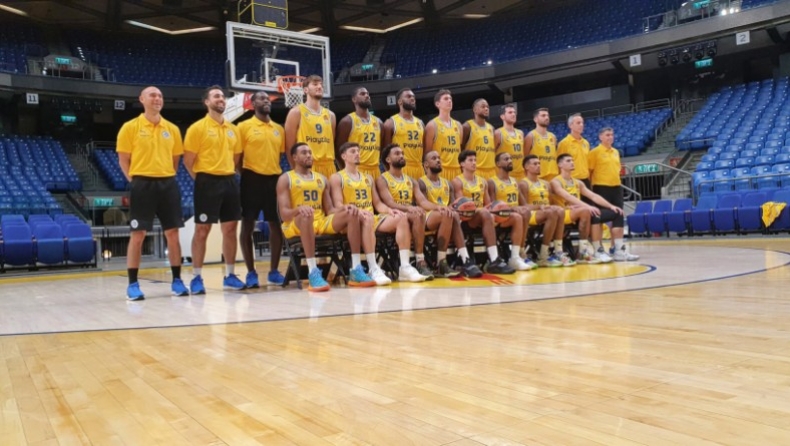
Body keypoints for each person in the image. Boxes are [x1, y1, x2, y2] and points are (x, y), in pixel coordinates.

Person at [117, 86, 187, 301]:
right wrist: (135, 181)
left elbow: (175, 161)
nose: (157, 98)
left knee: (173, 234)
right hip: (142, 184)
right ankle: (132, 284)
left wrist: (164, 176)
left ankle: (177, 280)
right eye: (152, 95)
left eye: (160, 96)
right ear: (142, 99)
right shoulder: (130, 127)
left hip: (167, 184)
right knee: (138, 235)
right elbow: (123, 160)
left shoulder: (172, 129)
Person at [278, 142, 373, 291]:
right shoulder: (286, 178)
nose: (309, 155)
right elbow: (284, 214)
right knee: (306, 215)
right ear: (294, 157)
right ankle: (313, 272)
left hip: (320, 221)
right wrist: (298, 210)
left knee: (352, 212)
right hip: (295, 224)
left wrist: (345, 208)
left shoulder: (321, 179)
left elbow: (330, 210)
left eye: (310, 152)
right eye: (304, 153)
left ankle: (356, 269)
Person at [330, 142, 426, 284]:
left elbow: (378, 204)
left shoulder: (368, 178)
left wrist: (390, 210)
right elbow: (338, 204)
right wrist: (358, 211)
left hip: (370, 217)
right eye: (353, 151)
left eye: (358, 151)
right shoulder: (337, 177)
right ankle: (373, 267)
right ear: (344, 156)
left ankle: (405, 267)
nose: (357, 154)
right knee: (367, 219)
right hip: (353, 220)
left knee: (401, 217)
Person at [183, 85, 245, 294]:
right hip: (206, 181)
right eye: (216, 96)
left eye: (223, 96)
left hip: (229, 181)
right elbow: (188, 161)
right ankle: (196, 277)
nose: (221, 99)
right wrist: (203, 180)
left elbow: (236, 158)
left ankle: (230, 275)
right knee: (202, 230)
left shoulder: (233, 129)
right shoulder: (197, 128)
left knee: (230, 229)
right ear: (207, 102)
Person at [377, 143, 458, 279]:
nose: (401, 156)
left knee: (446, 214)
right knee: (417, 214)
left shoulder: (411, 180)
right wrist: (409, 208)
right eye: (397, 154)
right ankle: (420, 261)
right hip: (393, 216)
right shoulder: (382, 179)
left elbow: (423, 202)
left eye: (402, 153)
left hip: (412, 215)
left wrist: (438, 207)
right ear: (388, 159)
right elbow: (389, 203)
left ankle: (441, 262)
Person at [236, 92, 286, 288]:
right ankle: (251, 272)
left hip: (274, 179)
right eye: (261, 99)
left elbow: (279, 155)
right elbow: (238, 158)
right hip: (251, 179)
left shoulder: (278, 129)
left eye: (268, 99)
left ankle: (274, 271)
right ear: (252, 103)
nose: (266, 101)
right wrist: (249, 175)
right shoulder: (243, 127)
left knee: (276, 225)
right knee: (247, 225)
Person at [419, 151, 484, 278]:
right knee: (449, 214)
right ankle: (443, 262)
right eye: (434, 158)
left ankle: (463, 259)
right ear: (426, 164)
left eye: (439, 158)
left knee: (452, 214)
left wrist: (455, 209)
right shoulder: (421, 182)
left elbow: (454, 204)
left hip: (447, 216)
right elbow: (422, 203)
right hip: (427, 217)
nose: (438, 160)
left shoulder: (447, 183)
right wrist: (439, 208)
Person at [451, 150, 515, 274]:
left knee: (511, 216)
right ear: (462, 164)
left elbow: (489, 204)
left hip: (483, 216)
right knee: (486, 214)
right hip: (466, 218)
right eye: (470, 160)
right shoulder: (457, 181)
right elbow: (461, 207)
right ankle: (494, 258)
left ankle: (510, 258)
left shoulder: (482, 181)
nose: (474, 163)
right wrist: (483, 211)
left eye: (475, 160)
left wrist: (496, 210)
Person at [550, 154, 622, 263]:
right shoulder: (555, 182)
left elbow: (593, 196)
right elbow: (567, 196)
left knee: (617, 212)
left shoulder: (578, 182)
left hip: (579, 212)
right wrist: (587, 206)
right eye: (568, 161)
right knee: (591, 213)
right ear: (560, 165)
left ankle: (619, 250)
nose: (572, 162)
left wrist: (610, 206)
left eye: (572, 160)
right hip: (564, 213)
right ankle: (596, 250)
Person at [588, 127, 639, 261]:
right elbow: (590, 172)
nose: (610, 137)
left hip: (616, 188)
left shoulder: (616, 152)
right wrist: (591, 191)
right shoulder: (594, 152)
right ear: (600, 137)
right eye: (607, 135)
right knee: (599, 218)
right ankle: (599, 249)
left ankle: (617, 249)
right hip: (600, 188)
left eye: (611, 135)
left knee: (619, 215)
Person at [518, 154, 574, 267]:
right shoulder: (523, 183)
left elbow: (552, 203)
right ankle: (543, 255)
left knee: (559, 211)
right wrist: (539, 206)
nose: (538, 166)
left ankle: (558, 251)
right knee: (552, 212)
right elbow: (524, 207)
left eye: (539, 163)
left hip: (548, 213)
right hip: (532, 214)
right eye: (535, 164)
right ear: (526, 167)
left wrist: (564, 207)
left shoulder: (546, 184)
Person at [488, 152, 537, 270]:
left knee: (525, 212)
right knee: (519, 215)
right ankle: (516, 257)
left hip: (515, 215)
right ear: (498, 164)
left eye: (510, 158)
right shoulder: (492, 182)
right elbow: (492, 207)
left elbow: (524, 205)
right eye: (506, 159)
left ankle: (520, 253)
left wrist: (542, 207)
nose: (510, 161)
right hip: (500, 216)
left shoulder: (514, 181)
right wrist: (511, 208)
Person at [284, 75, 337, 179]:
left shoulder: (331, 115)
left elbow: (331, 142)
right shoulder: (296, 112)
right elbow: (289, 146)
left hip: (329, 167)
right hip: (307, 166)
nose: (319, 87)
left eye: (321, 85)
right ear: (305, 90)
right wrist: (295, 169)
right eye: (315, 84)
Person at [335, 87, 383, 180]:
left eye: (367, 94)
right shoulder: (347, 121)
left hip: (375, 170)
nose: (367, 96)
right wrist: (347, 171)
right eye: (362, 94)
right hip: (356, 170)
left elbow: (382, 149)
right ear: (354, 99)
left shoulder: (379, 122)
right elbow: (338, 151)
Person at [381, 88, 425, 180]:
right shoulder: (390, 123)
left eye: (413, 97)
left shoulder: (420, 123)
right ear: (400, 101)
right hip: (401, 168)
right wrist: (390, 172)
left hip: (419, 169)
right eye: (408, 96)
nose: (412, 98)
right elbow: (385, 152)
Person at [424, 89, 462, 182]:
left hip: (457, 170)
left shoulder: (458, 125)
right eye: (446, 99)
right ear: (438, 104)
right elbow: (427, 153)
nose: (449, 101)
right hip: (440, 170)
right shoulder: (432, 125)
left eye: (450, 99)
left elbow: (460, 148)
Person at [462, 98, 497, 179]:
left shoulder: (492, 128)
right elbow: (460, 148)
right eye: (483, 106)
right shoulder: (467, 126)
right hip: (475, 170)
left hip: (492, 171)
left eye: (487, 107)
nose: (486, 109)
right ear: (475, 110)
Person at [557, 113, 591, 189]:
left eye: (582, 123)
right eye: (578, 123)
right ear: (570, 125)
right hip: (571, 180)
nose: (581, 125)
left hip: (586, 180)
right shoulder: (564, 143)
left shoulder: (586, 143)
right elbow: (559, 164)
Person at [524, 108, 559, 181]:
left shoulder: (553, 136)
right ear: (535, 119)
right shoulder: (531, 136)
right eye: (543, 115)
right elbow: (524, 158)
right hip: (539, 177)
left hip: (554, 176)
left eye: (547, 115)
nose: (546, 118)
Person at [494, 103, 526, 181]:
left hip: (521, 175)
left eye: (514, 112)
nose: (513, 114)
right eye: (510, 112)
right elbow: (491, 154)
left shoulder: (520, 133)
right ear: (502, 116)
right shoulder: (498, 133)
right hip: (506, 175)